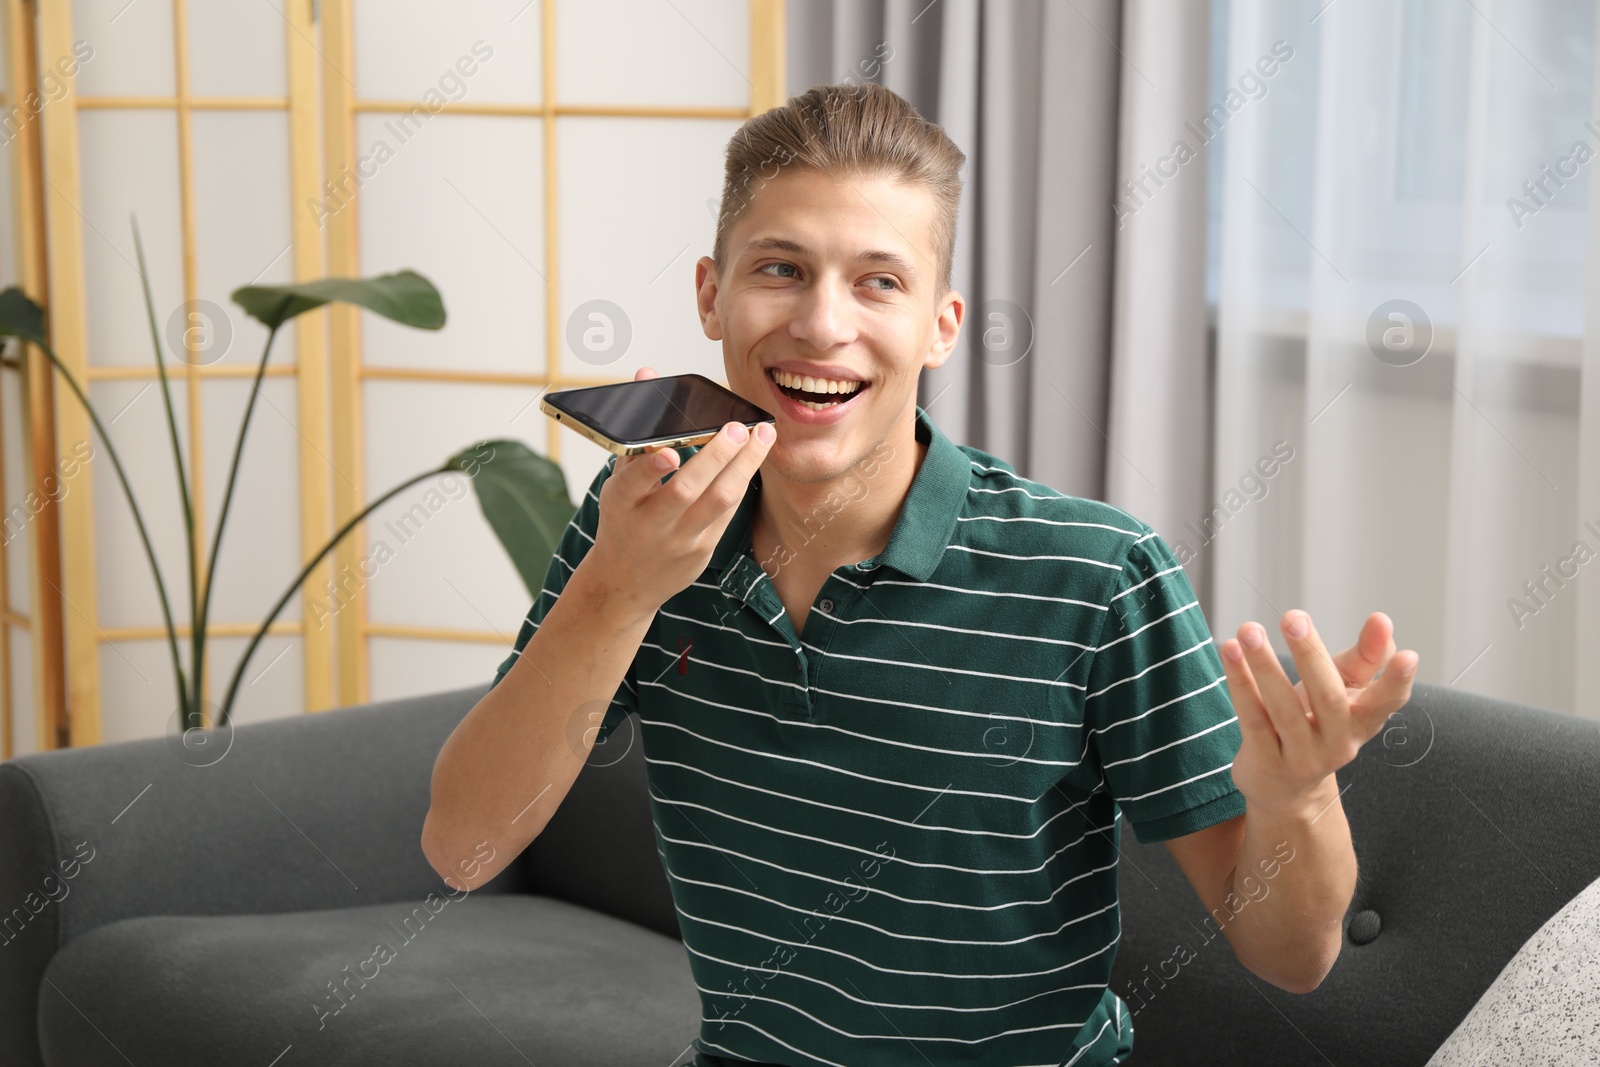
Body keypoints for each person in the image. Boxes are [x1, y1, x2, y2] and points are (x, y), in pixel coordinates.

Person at [422, 81, 1419, 1067]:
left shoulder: (1097, 575)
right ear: (709, 294)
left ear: (941, 325)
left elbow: (1291, 956)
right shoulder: (641, 523)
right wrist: (619, 588)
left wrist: (1296, 797)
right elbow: (462, 847)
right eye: (780, 268)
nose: (821, 323)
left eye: (876, 281)